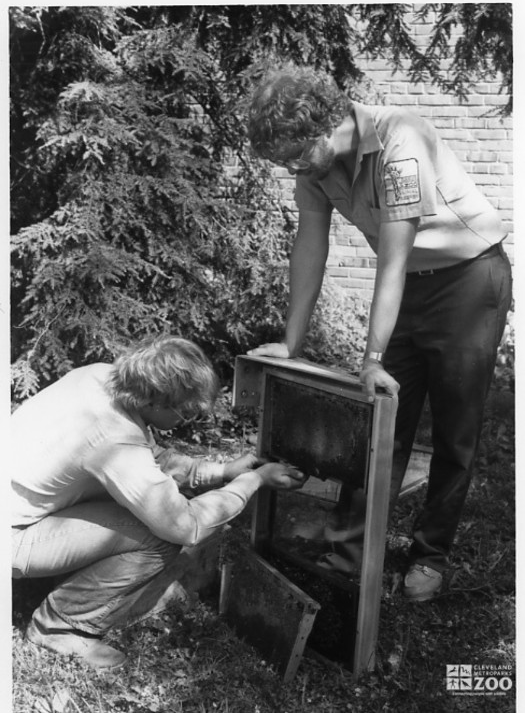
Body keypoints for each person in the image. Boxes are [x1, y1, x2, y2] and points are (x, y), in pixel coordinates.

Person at [246, 65, 512, 601]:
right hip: (410, 286)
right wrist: (290, 342)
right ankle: (348, 552)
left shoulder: (401, 138)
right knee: (379, 420)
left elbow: (392, 258)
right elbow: (310, 246)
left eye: (295, 155)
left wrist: (372, 354)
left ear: (326, 125)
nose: (291, 167)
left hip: (468, 282)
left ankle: (429, 555)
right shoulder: (315, 165)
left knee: (455, 428)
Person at [11, 335, 305, 669]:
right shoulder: (115, 438)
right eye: (187, 413)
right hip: (13, 537)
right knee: (158, 536)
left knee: (136, 514)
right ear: (154, 402)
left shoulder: (99, 377)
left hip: (23, 510)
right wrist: (253, 480)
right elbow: (185, 525)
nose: (188, 420)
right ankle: (58, 627)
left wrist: (221, 470)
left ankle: (68, 583)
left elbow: (146, 455)